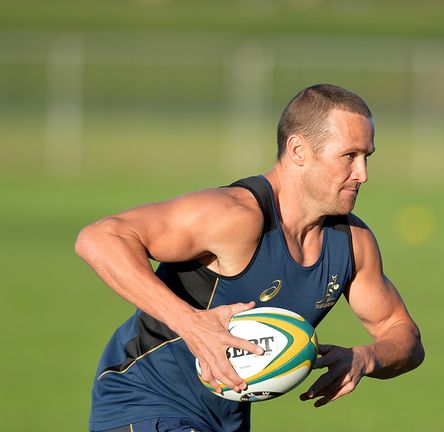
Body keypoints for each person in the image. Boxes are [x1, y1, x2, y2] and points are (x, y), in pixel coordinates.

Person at [76, 84, 425, 432]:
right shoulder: (235, 216)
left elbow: (403, 334)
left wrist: (366, 358)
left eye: (367, 156)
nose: (363, 173)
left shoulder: (351, 243)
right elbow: (100, 238)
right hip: (142, 404)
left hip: (223, 422)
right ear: (298, 150)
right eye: (349, 156)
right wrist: (190, 323)